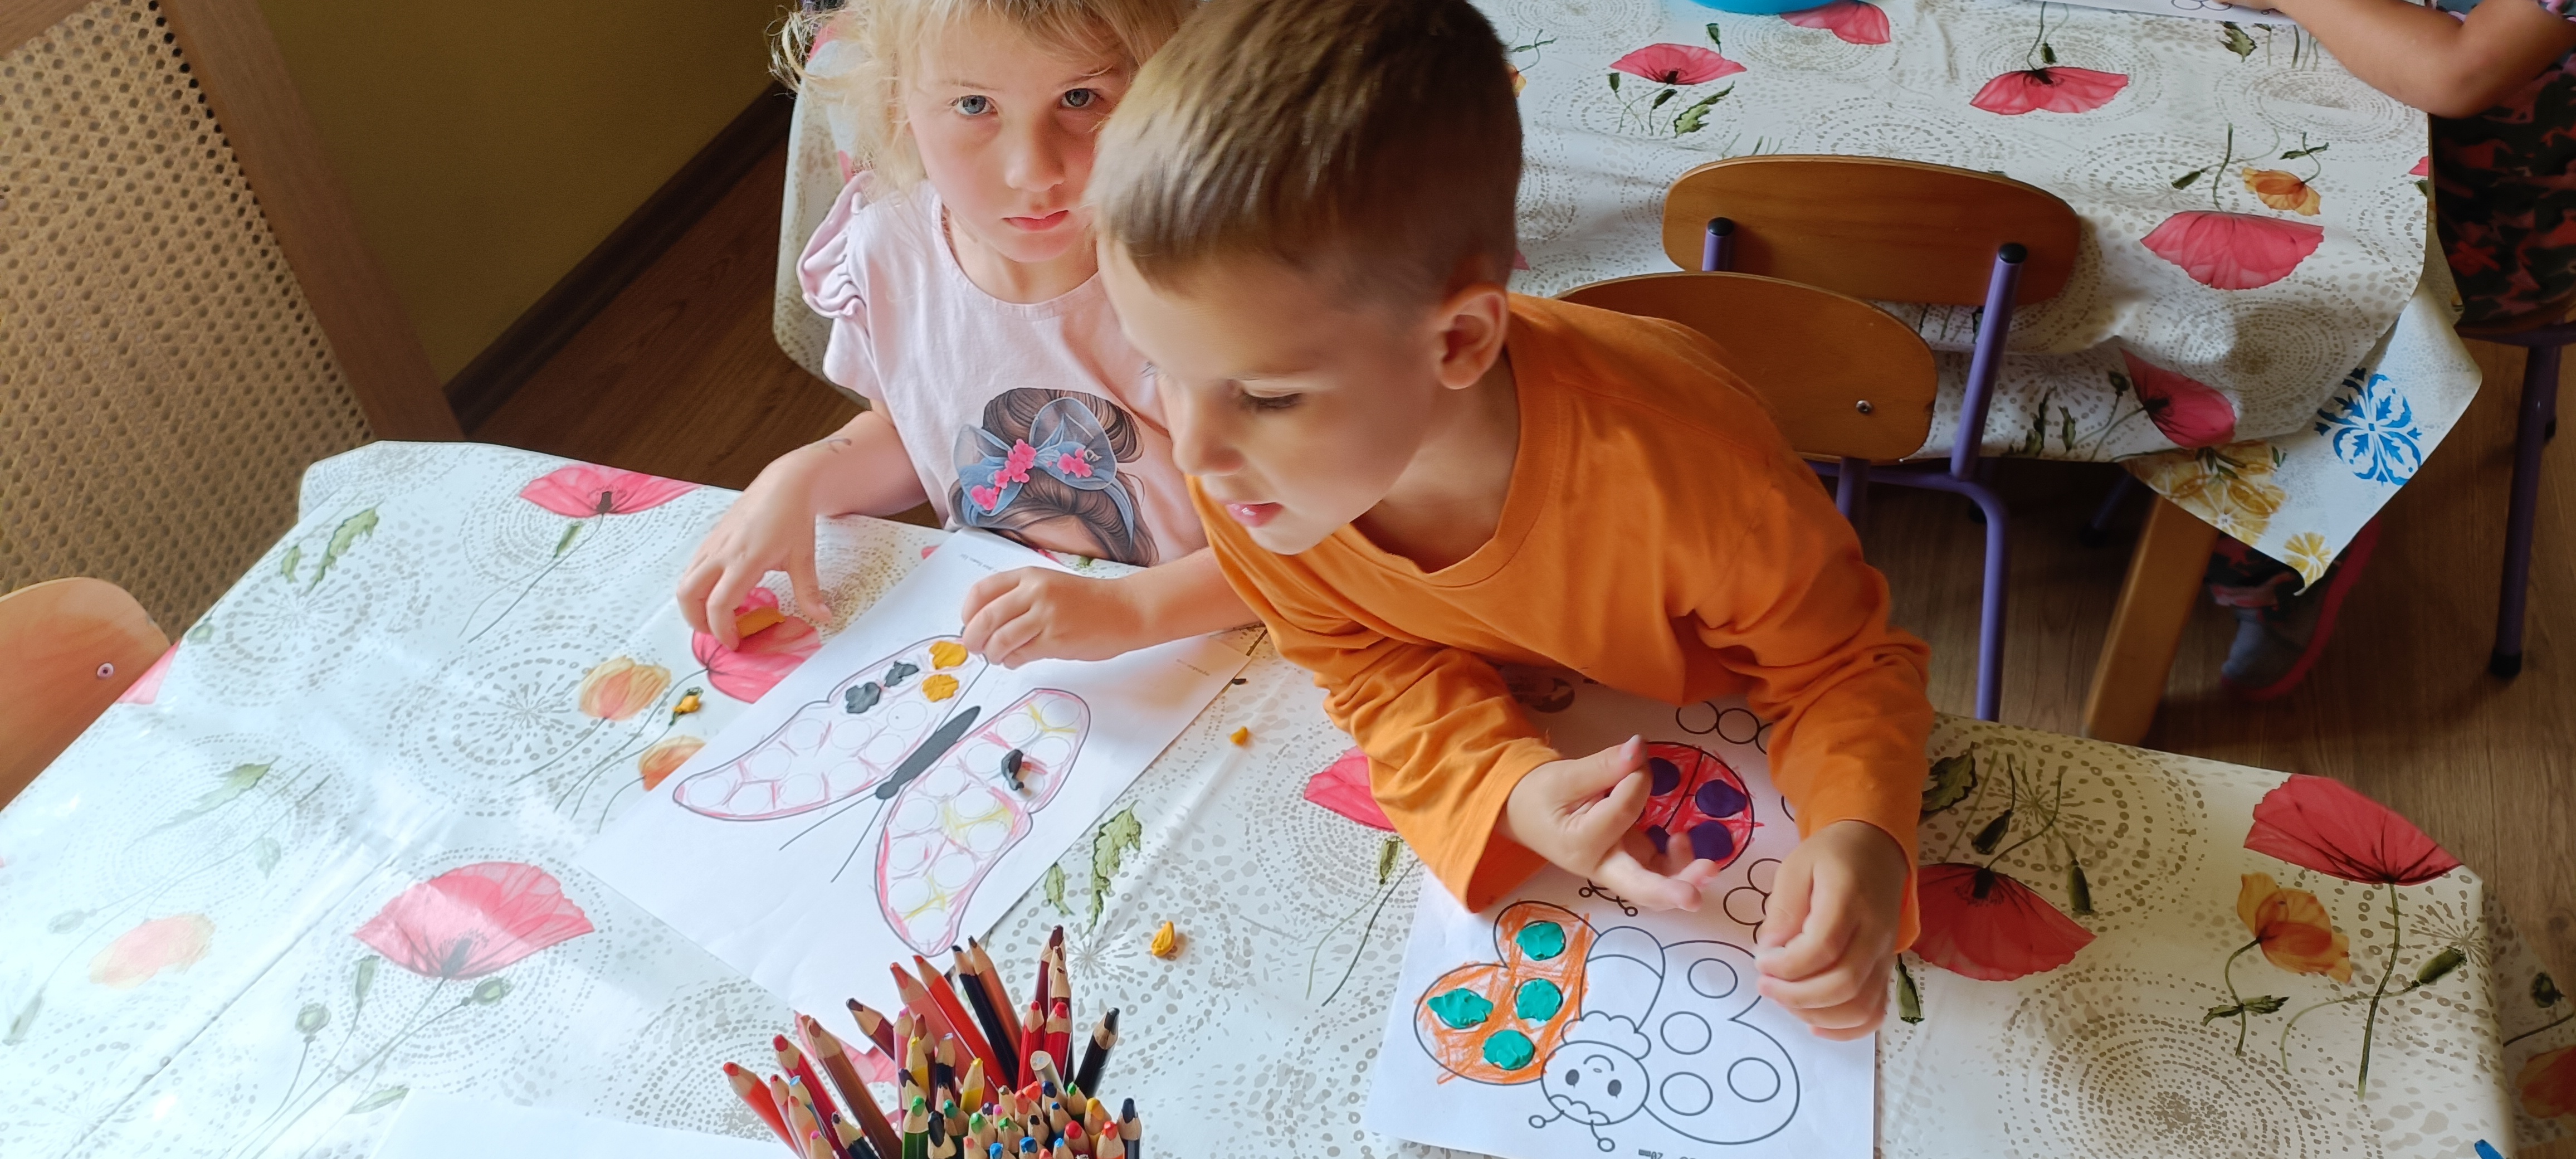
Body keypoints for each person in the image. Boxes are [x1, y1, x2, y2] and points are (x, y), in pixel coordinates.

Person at [1089, 0, 1934, 1039]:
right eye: (1160, 371)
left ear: (1456, 342)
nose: (1191, 453)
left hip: (1730, 748)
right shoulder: (1256, 480)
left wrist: (1859, 832)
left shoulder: (1692, 472)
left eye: (1266, 396)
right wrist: (1511, 788)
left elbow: (1841, 669)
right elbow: (1367, 663)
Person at [676, 0, 1251, 665]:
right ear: (897, 103)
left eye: (1079, 97)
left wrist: (1132, 611)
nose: (1032, 170)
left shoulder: (1221, 277)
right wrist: (801, 478)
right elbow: (913, 434)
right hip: (1023, 659)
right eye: (974, 105)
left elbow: (1321, 542)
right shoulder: (889, 251)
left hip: (1227, 646)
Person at [2203, 0, 2576, 698]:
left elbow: (2458, 73)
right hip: (2379, 106)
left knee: (2265, 284)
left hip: (2495, 220)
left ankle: (2307, 521)